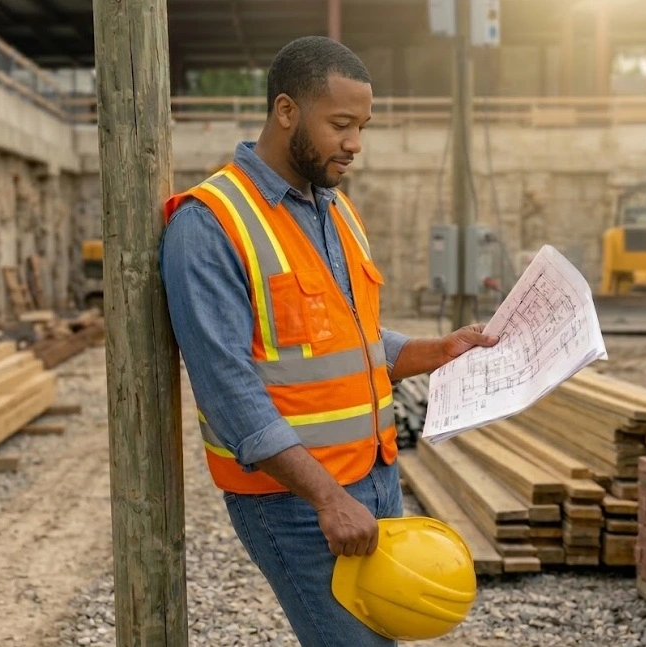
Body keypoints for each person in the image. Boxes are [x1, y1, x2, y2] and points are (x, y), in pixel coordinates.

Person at [158, 35, 498, 647]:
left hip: (373, 477)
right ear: (286, 111)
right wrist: (326, 498)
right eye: (341, 124)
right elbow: (228, 389)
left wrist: (433, 351)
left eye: (362, 126)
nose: (355, 144)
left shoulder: (335, 210)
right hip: (295, 498)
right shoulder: (209, 223)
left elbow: (350, 339)